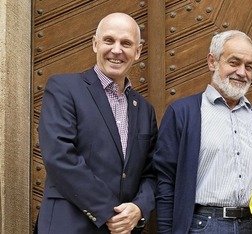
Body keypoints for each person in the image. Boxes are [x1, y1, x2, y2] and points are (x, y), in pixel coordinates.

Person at [36, 12, 156, 234]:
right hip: (68, 226)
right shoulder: (63, 89)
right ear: (95, 44)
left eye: (126, 43)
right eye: (109, 40)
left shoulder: (145, 110)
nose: (117, 50)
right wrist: (109, 212)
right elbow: (59, 156)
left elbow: (151, 173)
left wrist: (139, 208)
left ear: (138, 51)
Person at [153, 30, 252, 234]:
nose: (242, 72)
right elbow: (165, 181)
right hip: (204, 225)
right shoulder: (184, 113)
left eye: (249, 66)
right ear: (212, 62)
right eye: (234, 63)